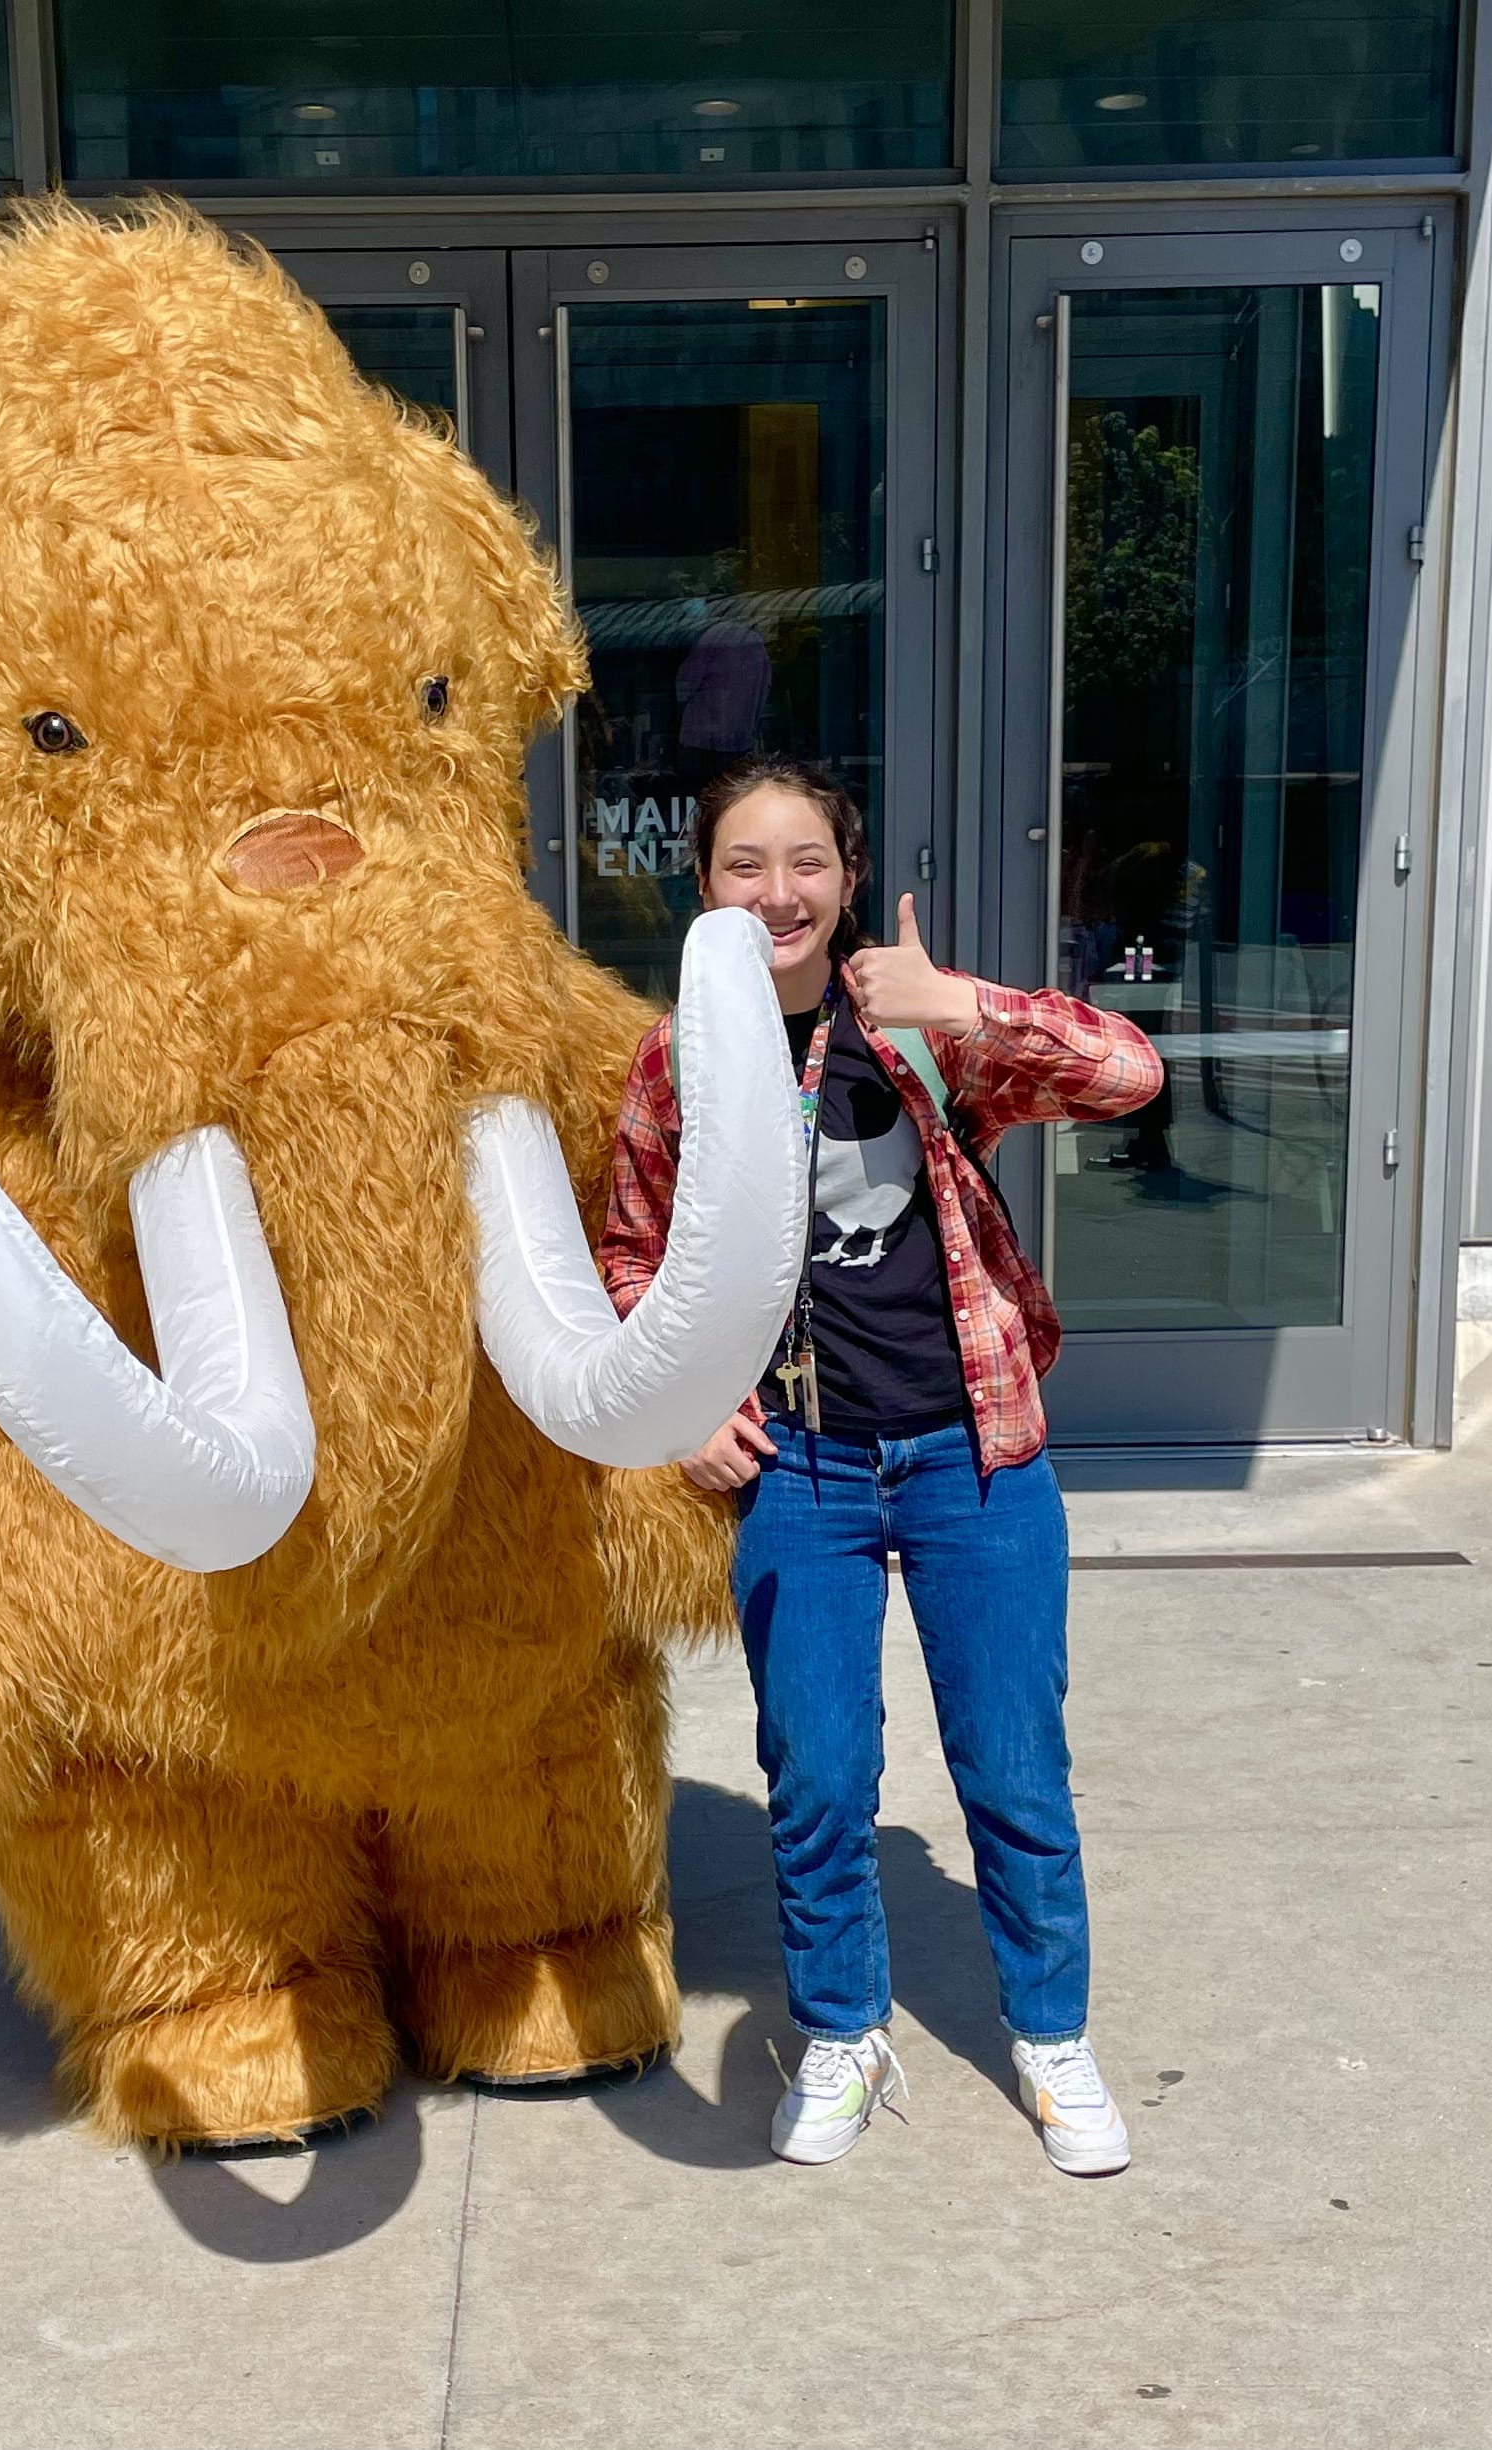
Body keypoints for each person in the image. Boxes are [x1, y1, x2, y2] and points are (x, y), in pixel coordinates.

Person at [598, 754, 1163, 2174]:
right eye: (743, 862)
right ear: (706, 888)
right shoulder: (680, 1056)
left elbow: (1127, 1071)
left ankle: (1050, 2035)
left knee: (1015, 1764)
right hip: (802, 1464)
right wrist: (688, 1406)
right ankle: (845, 2031)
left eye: (804, 861)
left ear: (847, 877)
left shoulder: (909, 1021)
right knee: (820, 1771)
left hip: (974, 1450)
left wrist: (966, 1003)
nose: (775, 889)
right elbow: (629, 1255)